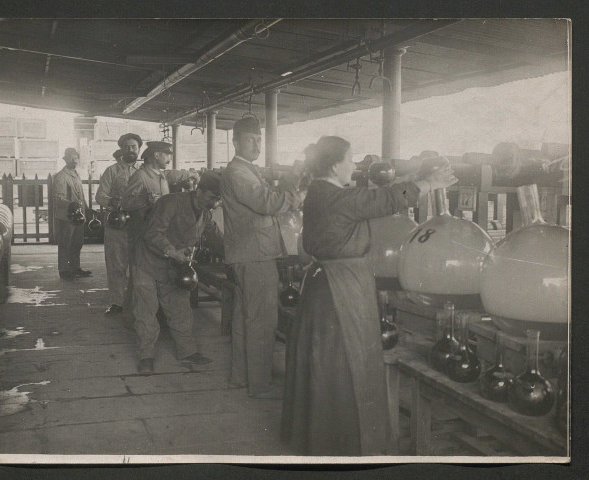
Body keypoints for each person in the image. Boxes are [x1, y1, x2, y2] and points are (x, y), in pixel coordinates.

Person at [280, 136, 457, 456]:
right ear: (334, 165)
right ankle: (345, 444)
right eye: (350, 159)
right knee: (347, 366)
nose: (354, 165)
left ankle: (322, 438)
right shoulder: (335, 197)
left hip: (324, 288)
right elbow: (382, 201)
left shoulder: (318, 194)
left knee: (328, 366)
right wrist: (428, 183)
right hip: (341, 292)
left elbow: (373, 198)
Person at [220, 116, 303, 399]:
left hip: (250, 253)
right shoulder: (237, 172)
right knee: (262, 321)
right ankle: (259, 384)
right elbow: (267, 203)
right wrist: (293, 184)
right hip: (255, 255)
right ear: (235, 142)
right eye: (250, 139)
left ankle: (241, 378)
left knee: (246, 320)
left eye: (259, 139)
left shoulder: (247, 170)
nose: (256, 144)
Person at [131, 171, 224, 373]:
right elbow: (153, 233)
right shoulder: (170, 203)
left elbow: (216, 237)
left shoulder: (206, 214)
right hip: (147, 263)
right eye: (212, 198)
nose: (215, 204)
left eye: (218, 200)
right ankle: (146, 355)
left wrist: (233, 253)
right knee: (146, 312)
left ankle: (187, 352)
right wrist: (172, 252)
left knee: (180, 310)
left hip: (174, 267)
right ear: (199, 191)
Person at [120, 141, 200, 262]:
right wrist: (145, 200)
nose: (169, 159)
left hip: (158, 235)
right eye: (167, 155)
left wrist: (191, 174)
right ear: (156, 155)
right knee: (142, 272)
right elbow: (125, 203)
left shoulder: (161, 175)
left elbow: (174, 174)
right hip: (142, 234)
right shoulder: (140, 176)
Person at [95, 134, 142, 315]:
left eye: (134, 147)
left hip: (138, 226)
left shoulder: (144, 171)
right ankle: (117, 303)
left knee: (138, 265)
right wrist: (113, 202)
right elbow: (100, 196)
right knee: (116, 265)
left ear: (138, 150)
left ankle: (137, 302)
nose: (131, 150)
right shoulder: (112, 171)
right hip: (117, 226)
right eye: (127, 147)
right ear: (122, 150)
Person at [53, 147, 92, 279]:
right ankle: (64, 270)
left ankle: (75, 267)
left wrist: (87, 208)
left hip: (78, 216)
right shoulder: (61, 176)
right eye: (71, 157)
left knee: (77, 243)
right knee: (65, 243)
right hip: (66, 216)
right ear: (65, 159)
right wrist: (71, 204)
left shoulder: (76, 174)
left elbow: (80, 194)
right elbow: (59, 198)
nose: (73, 160)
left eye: (75, 158)